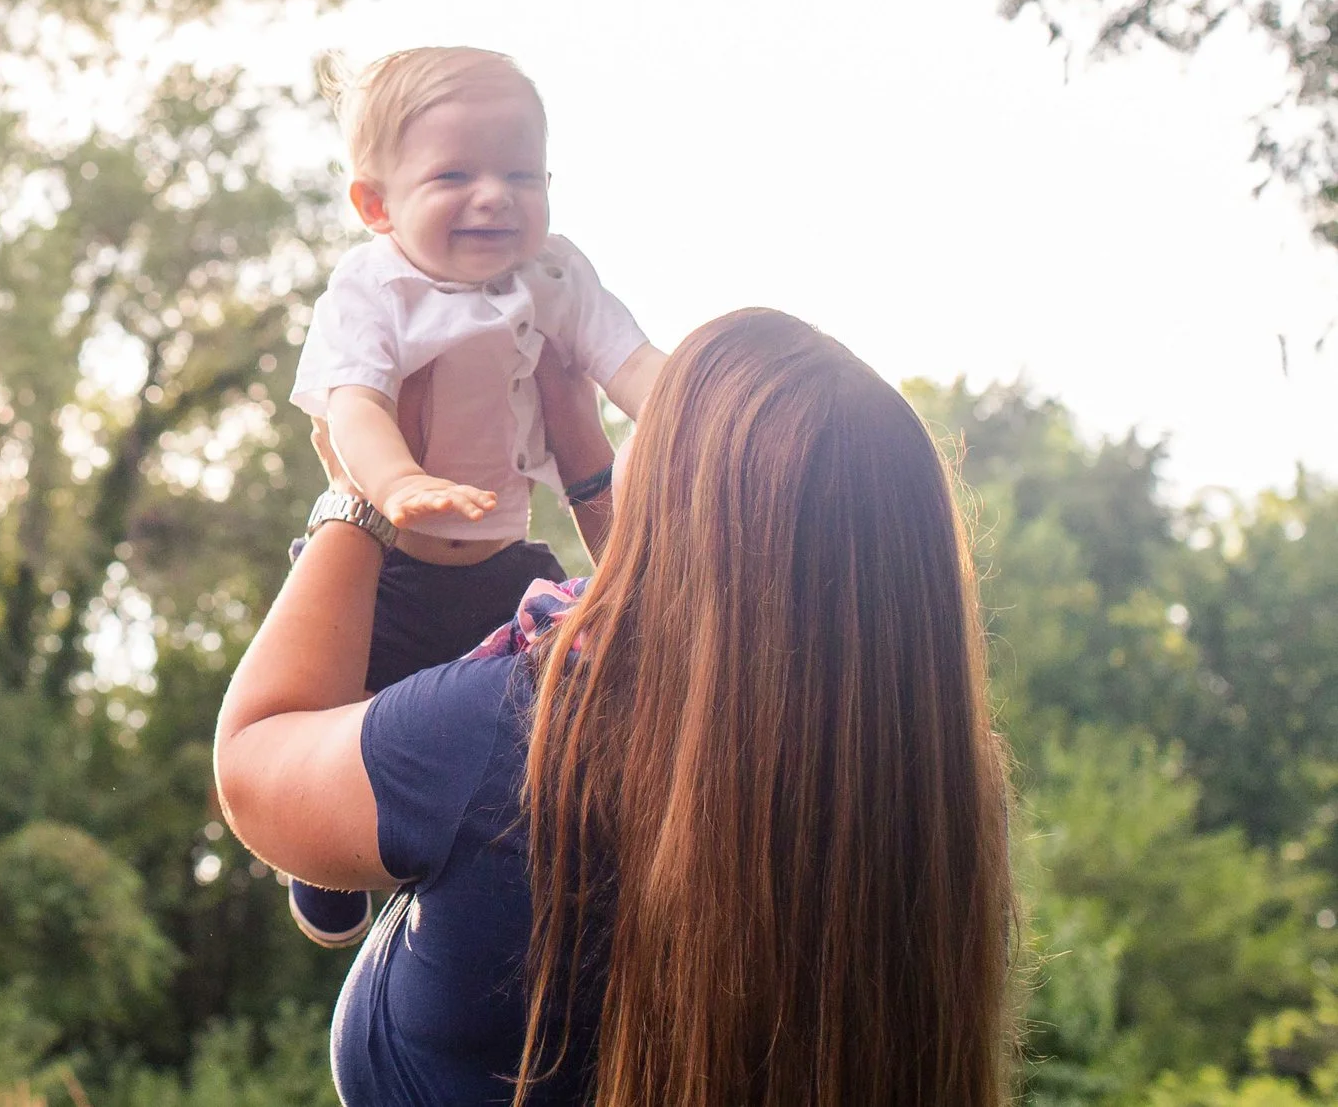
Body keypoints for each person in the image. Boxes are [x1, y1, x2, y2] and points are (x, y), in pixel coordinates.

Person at [217, 309, 1013, 1106]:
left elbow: (258, 757)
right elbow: (730, 656)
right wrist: (587, 465)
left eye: (650, 420)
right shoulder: (933, 796)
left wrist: (357, 499)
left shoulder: (512, 739)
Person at [281, 46, 664, 946]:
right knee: (338, 691)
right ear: (376, 204)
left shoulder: (558, 274)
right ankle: (315, 848)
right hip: (393, 563)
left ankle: (512, 866)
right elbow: (356, 405)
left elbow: (633, 363)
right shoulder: (373, 286)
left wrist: (702, 402)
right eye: (455, 174)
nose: (494, 195)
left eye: (520, 174)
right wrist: (398, 481)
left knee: (535, 691)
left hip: (499, 558)